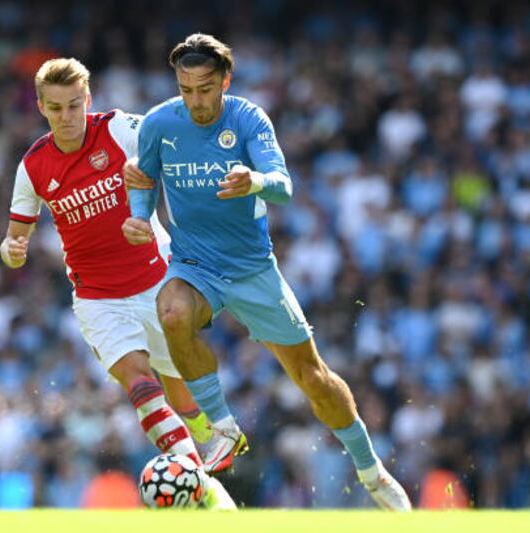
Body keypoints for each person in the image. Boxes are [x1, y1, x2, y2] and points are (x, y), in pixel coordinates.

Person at [123, 34, 411, 510]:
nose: (196, 100)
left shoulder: (249, 118)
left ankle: (370, 469)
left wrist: (254, 180)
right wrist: (138, 216)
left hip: (252, 268)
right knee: (171, 313)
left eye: (205, 88)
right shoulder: (159, 122)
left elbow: (284, 186)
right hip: (194, 263)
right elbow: (144, 176)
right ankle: (223, 427)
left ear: (225, 82)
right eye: (186, 89)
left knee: (312, 377)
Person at [0, 57, 233, 509]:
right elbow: (14, 239)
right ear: (41, 107)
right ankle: (205, 492)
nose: (67, 118)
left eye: (74, 105)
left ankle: (209, 436)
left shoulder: (120, 130)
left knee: (181, 390)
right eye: (56, 108)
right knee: (139, 382)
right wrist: (11, 251)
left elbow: (175, 141)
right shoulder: (33, 166)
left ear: (87, 99)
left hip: (158, 278)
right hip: (97, 296)